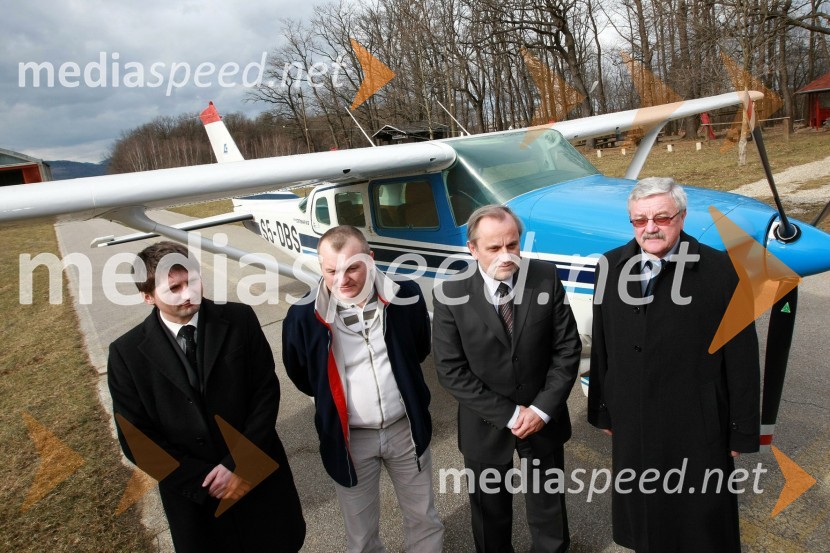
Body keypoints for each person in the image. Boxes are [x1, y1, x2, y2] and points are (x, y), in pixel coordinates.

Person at [587, 177, 760, 553]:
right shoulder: (610, 265)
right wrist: (603, 409)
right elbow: (602, 345)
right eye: (639, 220)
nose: (650, 228)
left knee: (700, 523)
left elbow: (743, 358)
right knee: (645, 518)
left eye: (661, 217)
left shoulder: (721, 271)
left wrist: (741, 429)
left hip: (696, 424)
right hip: (633, 419)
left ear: (681, 217)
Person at [108, 241, 305, 552]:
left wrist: (239, 464)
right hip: (195, 503)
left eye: (193, 280)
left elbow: (265, 392)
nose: (190, 293)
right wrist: (202, 482)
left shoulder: (240, 319)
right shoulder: (126, 354)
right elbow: (136, 438)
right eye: (175, 287)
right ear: (147, 296)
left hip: (260, 484)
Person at [282, 225, 444, 553]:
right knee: (361, 535)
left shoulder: (406, 295)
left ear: (370, 260)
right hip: (350, 440)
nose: (343, 280)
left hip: (405, 430)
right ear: (321, 266)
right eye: (331, 271)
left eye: (353, 267)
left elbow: (419, 348)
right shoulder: (302, 316)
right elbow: (301, 374)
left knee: (423, 518)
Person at [432, 205, 581, 553]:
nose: (506, 256)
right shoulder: (450, 296)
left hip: (542, 421)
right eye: (494, 248)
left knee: (549, 514)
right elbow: (451, 370)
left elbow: (567, 349)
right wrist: (512, 415)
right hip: (486, 425)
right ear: (472, 249)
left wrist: (541, 410)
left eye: (512, 245)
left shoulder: (544, 277)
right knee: (490, 517)